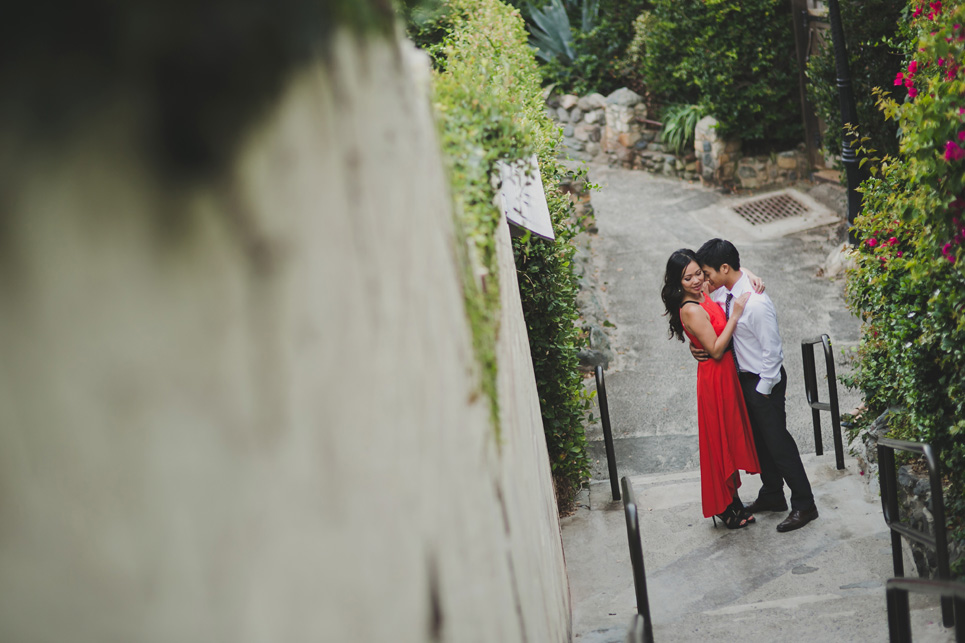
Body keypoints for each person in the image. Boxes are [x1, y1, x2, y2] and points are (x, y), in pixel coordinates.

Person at [694, 238, 818, 533]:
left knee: (779, 444)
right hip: (743, 380)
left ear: (724, 268)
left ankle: (805, 504)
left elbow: (773, 354)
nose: (705, 279)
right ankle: (773, 494)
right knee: (761, 443)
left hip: (764, 381)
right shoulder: (727, 289)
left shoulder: (757, 302)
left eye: (708, 272)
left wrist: (762, 391)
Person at [661, 249, 760, 529]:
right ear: (677, 282)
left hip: (725, 375)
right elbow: (716, 350)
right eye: (687, 277)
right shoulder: (690, 308)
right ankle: (725, 506)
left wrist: (751, 275)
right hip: (716, 375)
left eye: (698, 274)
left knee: (727, 437)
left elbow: (730, 272)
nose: (695, 280)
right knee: (719, 441)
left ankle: (733, 499)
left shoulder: (702, 292)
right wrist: (735, 315)